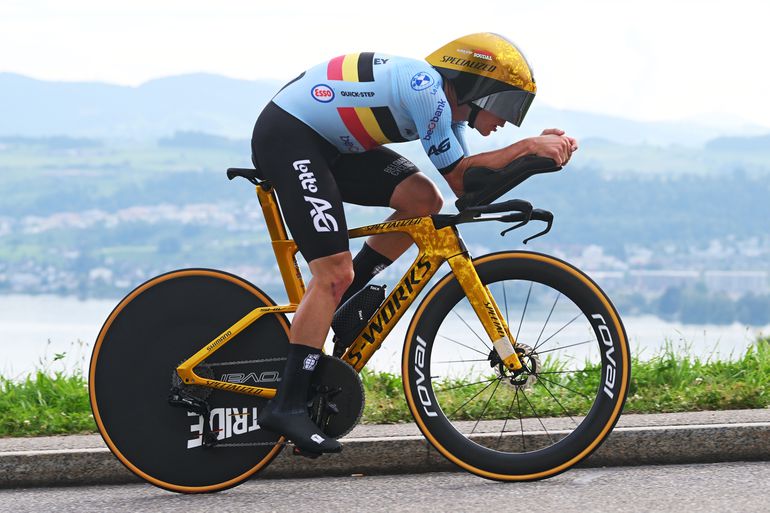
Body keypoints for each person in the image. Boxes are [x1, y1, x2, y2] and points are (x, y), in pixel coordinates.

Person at [252, 32, 578, 456]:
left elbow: (468, 190)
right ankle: (288, 404)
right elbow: (462, 175)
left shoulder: (449, 114)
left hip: (328, 145)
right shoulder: (428, 91)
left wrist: (530, 159)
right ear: (478, 87)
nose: (505, 121)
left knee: (422, 201)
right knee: (332, 271)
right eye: (505, 105)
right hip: (290, 137)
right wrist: (528, 146)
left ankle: (344, 302)